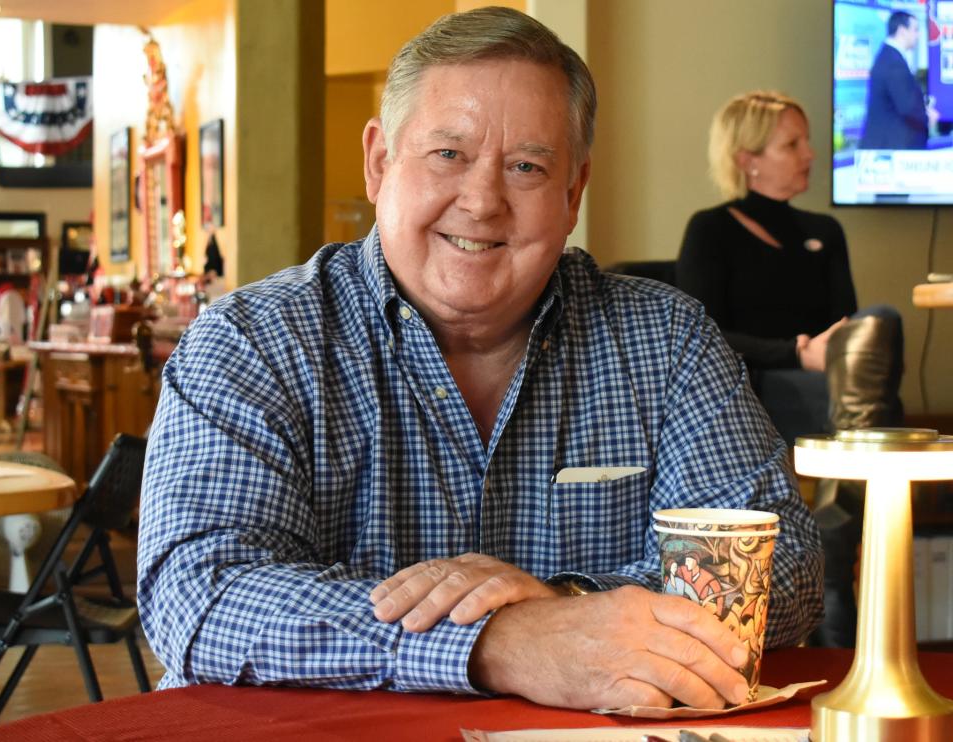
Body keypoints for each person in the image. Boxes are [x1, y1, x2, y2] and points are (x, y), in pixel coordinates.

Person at [138, 8, 823, 712]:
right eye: (448, 155)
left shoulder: (667, 338)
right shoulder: (252, 340)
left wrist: (570, 604)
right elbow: (197, 592)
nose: (482, 200)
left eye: (527, 166)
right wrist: (501, 642)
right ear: (379, 162)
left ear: (573, 194)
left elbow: (787, 573)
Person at [676, 90, 904, 647]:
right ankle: (843, 530)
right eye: (792, 143)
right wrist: (795, 349)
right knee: (866, 416)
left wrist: (822, 352)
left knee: (883, 320)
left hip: (825, 390)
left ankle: (835, 545)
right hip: (750, 396)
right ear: (747, 157)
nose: (810, 154)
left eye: (807, 141)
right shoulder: (711, 229)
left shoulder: (826, 231)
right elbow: (700, 332)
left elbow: (849, 330)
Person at [859, 10, 940, 150]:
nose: (918, 35)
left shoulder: (890, 57)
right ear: (902, 31)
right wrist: (927, 117)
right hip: (891, 149)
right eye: (915, 30)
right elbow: (906, 106)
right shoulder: (893, 62)